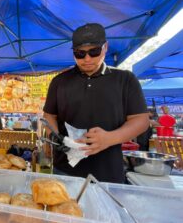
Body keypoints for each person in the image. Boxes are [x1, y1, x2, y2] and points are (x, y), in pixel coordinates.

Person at [43, 23, 149, 183]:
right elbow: (49, 115)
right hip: (64, 170)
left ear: (105, 47)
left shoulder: (125, 79)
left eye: (94, 51)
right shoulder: (59, 82)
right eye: (80, 53)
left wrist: (109, 138)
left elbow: (141, 120)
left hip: (108, 172)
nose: (87, 59)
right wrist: (56, 137)